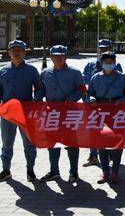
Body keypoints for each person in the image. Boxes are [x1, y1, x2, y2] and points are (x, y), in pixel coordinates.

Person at [35, 45, 85, 183]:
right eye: (55, 55)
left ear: (66, 56)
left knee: (72, 143)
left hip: (69, 114)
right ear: (51, 57)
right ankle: (54, 171)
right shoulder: (45, 72)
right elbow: (41, 89)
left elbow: (81, 90)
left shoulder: (75, 73)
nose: (58, 58)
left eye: (61, 55)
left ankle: (73, 172)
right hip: (52, 114)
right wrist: (37, 98)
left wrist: (71, 99)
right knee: (52, 143)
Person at [86, 52, 125, 184]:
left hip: (117, 113)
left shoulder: (122, 77)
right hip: (101, 113)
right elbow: (89, 93)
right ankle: (105, 172)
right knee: (101, 144)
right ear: (102, 63)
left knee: (118, 144)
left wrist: (121, 100)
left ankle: (115, 173)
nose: (109, 64)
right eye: (106, 62)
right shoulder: (95, 78)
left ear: (115, 62)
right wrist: (92, 99)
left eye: (111, 62)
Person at [0, 40, 40, 182]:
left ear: (24, 52)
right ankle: (5, 170)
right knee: (6, 143)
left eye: (19, 50)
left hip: (26, 112)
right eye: (13, 50)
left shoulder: (32, 70)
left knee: (29, 143)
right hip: (7, 113)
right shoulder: (3, 70)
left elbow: (40, 88)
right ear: (9, 53)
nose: (16, 53)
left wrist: (36, 99)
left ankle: (30, 170)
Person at [82, 39, 123, 167]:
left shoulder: (116, 65)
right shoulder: (90, 65)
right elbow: (84, 84)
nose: (103, 50)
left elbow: (120, 83)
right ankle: (93, 155)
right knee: (93, 130)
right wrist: (88, 99)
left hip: (110, 106)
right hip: (93, 103)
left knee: (109, 130)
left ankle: (109, 155)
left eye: (106, 48)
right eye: (101, 48)